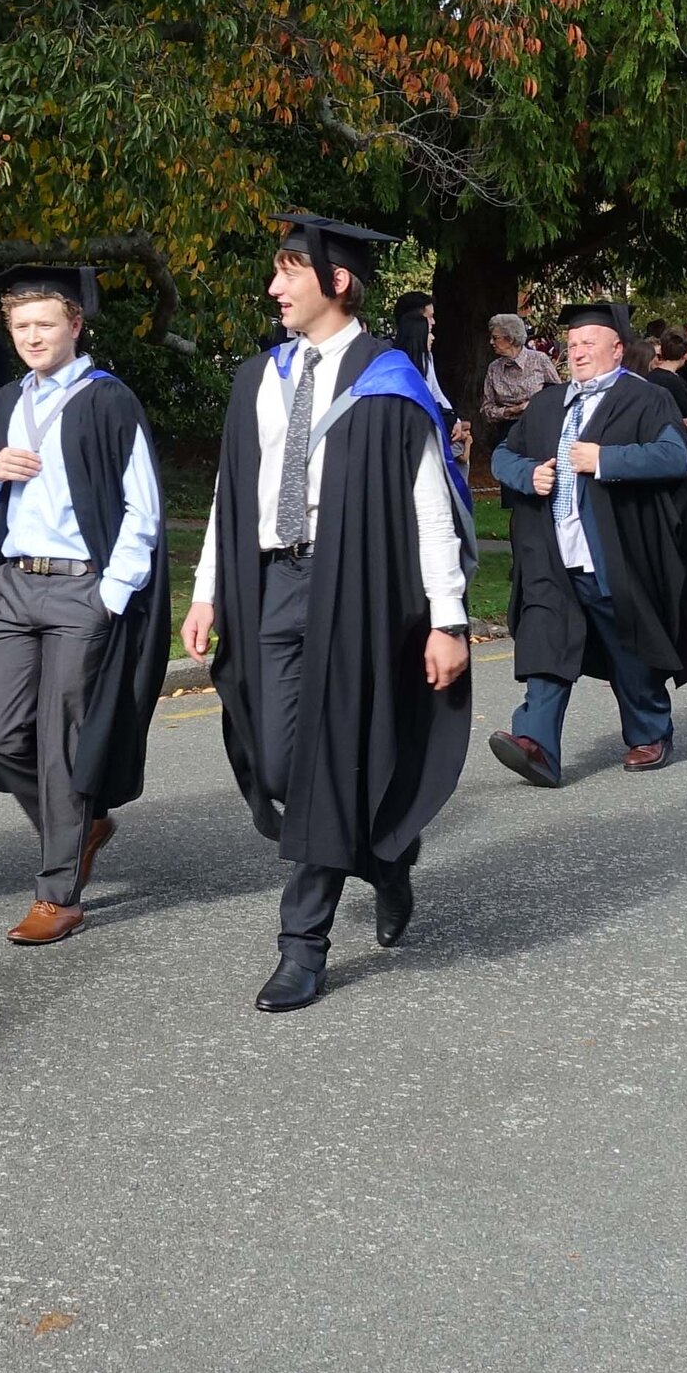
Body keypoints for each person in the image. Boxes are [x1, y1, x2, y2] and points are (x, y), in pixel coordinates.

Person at [184, 214, 474, 1015]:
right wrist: (207, 589)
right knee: (280, 763)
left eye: (288, 272)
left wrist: (448, 618)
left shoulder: (388, 379)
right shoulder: (258, 377)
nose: (272, 288)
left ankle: (301, 946)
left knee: (326, 758)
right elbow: (231, 491)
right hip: (271, 581)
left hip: (361, 587)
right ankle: (384, 856)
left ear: (336, 281)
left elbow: (429, 505)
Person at [0, 266, 168, 945]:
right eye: (20, 326)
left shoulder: (108, 400)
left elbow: (142, 505)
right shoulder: (6, 401)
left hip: (81, 588)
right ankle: (82, 826)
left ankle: (57, 895)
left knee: (61, 744)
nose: (31, 337)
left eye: (44, 324)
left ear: (74, 325)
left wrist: (112, 593)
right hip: (13, 585)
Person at [487, 299, 687, 785]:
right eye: (573, 344)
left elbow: (674, 458)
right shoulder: (547, 403)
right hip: (550, 550)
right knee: (546, 641)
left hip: (613, 552)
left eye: (589, 343)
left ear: (617, 349)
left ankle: (650, 731)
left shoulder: (646, 399)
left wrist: (604, 459)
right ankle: (536, 745)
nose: (578, 352)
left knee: (628, 647)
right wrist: (527, 474)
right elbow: (502, 454)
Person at [477, 312, 556, 504]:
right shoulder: (494, 368)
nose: (491, 342)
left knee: (542, 487)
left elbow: (558, 394)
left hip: (540, 430)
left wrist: (535, 405)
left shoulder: (539, 360)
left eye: (495, 337)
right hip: (509, 433)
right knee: (513, 493)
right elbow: (487, 409)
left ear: (510, 338)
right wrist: (511, 411)